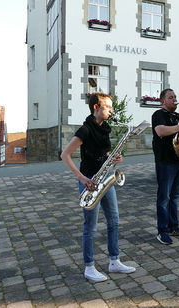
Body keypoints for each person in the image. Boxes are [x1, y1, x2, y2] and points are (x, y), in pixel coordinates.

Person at [61, 92, 135, 282]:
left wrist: (114, 157)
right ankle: (89, 267)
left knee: (114, 221)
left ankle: (114, 261)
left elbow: (104, 151)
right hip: (90, 182)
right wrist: (82, 178)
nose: (111, 110)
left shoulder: (106, 128)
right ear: (96, 107)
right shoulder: (85, 130)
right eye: (108, 107)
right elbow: (65, 155)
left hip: (106, 178)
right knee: (90, 227)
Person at [152, 88, 179, 245]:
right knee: (164, 198)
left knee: (175, 197)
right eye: (171, 97)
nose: (175, 99)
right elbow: (161, 131)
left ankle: (174, 227)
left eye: (175, 96)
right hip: (165, 162)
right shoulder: (158, 115)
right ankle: (162, 231)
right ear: (163, 101)